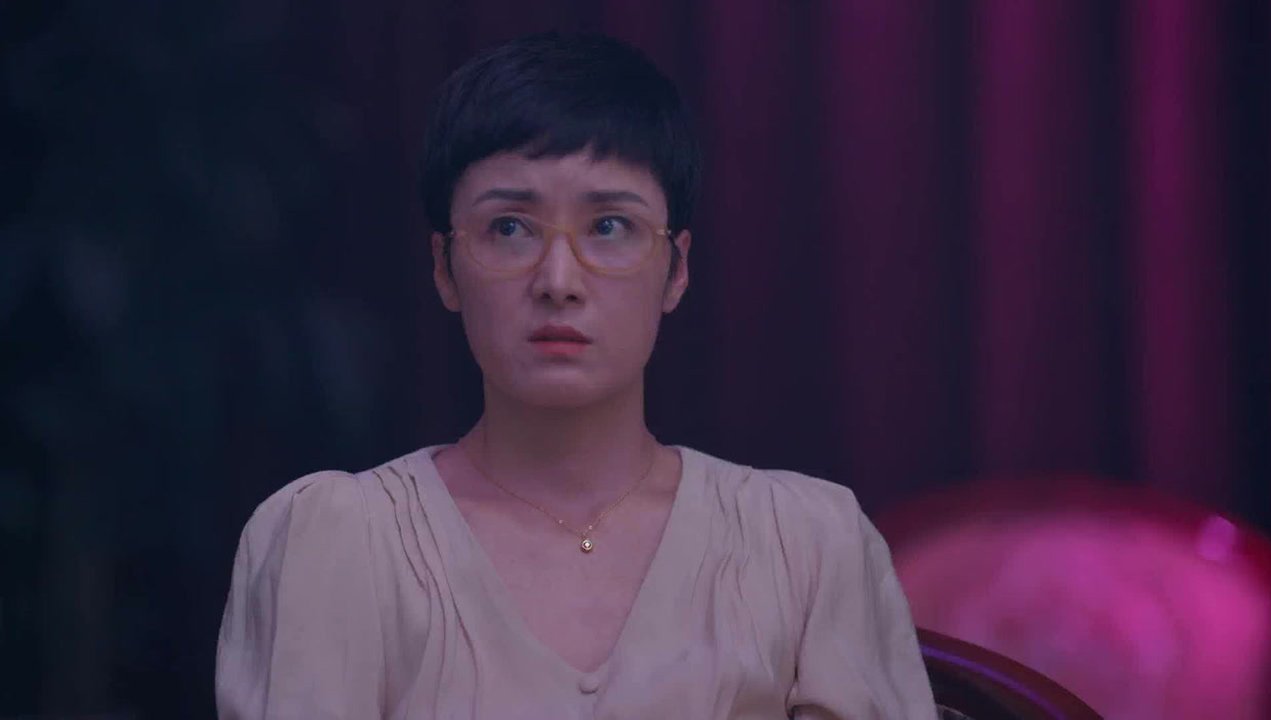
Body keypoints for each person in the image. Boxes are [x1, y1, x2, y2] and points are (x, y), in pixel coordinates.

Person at [215, 31, 936, 719]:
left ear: (677, 270)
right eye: (509, 228)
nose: (558, 281)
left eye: (610, 226)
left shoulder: (807, 546)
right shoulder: (337, 543)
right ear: (444, 268)